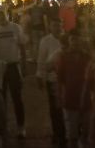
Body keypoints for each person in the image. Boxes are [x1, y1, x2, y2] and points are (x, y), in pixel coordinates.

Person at [0, 10, 27, 138]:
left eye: (2, 15)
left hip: (13, 66)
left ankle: (21, 127)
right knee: (1, 99)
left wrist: (24, 64)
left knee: (17, 97)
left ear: (7, 15)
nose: (0, 17)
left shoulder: (16, 28)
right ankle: (2, 126)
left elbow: (22, 46)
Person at [56, 29, 90, 148]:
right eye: (73, 39)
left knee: (87, 132)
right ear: (69, 41)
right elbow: (59, 79)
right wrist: (59, 97)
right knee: (72, 134)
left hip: (86, 100)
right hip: (69, 99)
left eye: (77, 39)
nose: (75, 42)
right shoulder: (63, 56)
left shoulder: (87, 57)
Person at [37, 18, 65, 147]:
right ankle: (57, 133)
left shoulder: (66, 39)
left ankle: (65, 132)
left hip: (65, 80)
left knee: (65, 108)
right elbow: (41, 60)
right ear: (50, 27)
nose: (57, 28)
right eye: (54, 25)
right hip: (52, 79)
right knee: (54, 109)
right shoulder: (45, 41)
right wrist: (40, 76)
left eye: (59, 25)